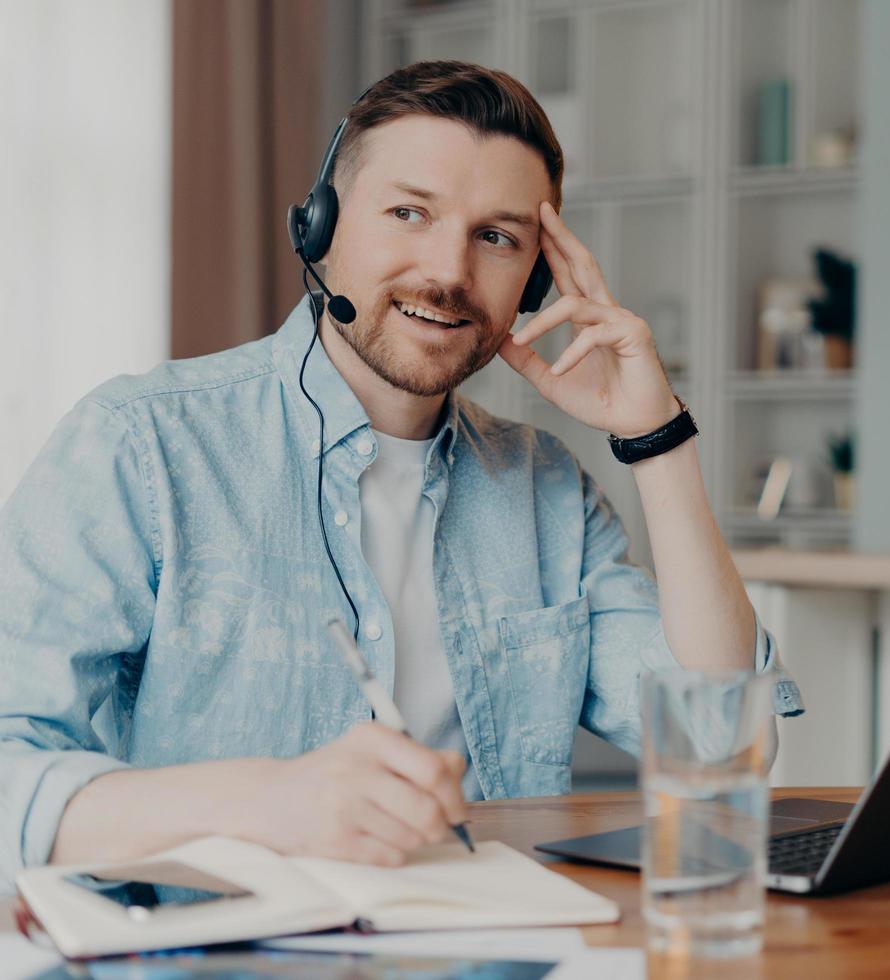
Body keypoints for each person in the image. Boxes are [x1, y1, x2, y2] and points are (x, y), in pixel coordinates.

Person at [0, 60, 801, 885]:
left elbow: (724, 744)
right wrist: (261, 805)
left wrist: (656, 438)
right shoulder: (144, 444)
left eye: (496, 237)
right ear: (320, 225)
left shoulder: (547, 491)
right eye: (409, 212)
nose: (448, 272)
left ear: (531, 281)